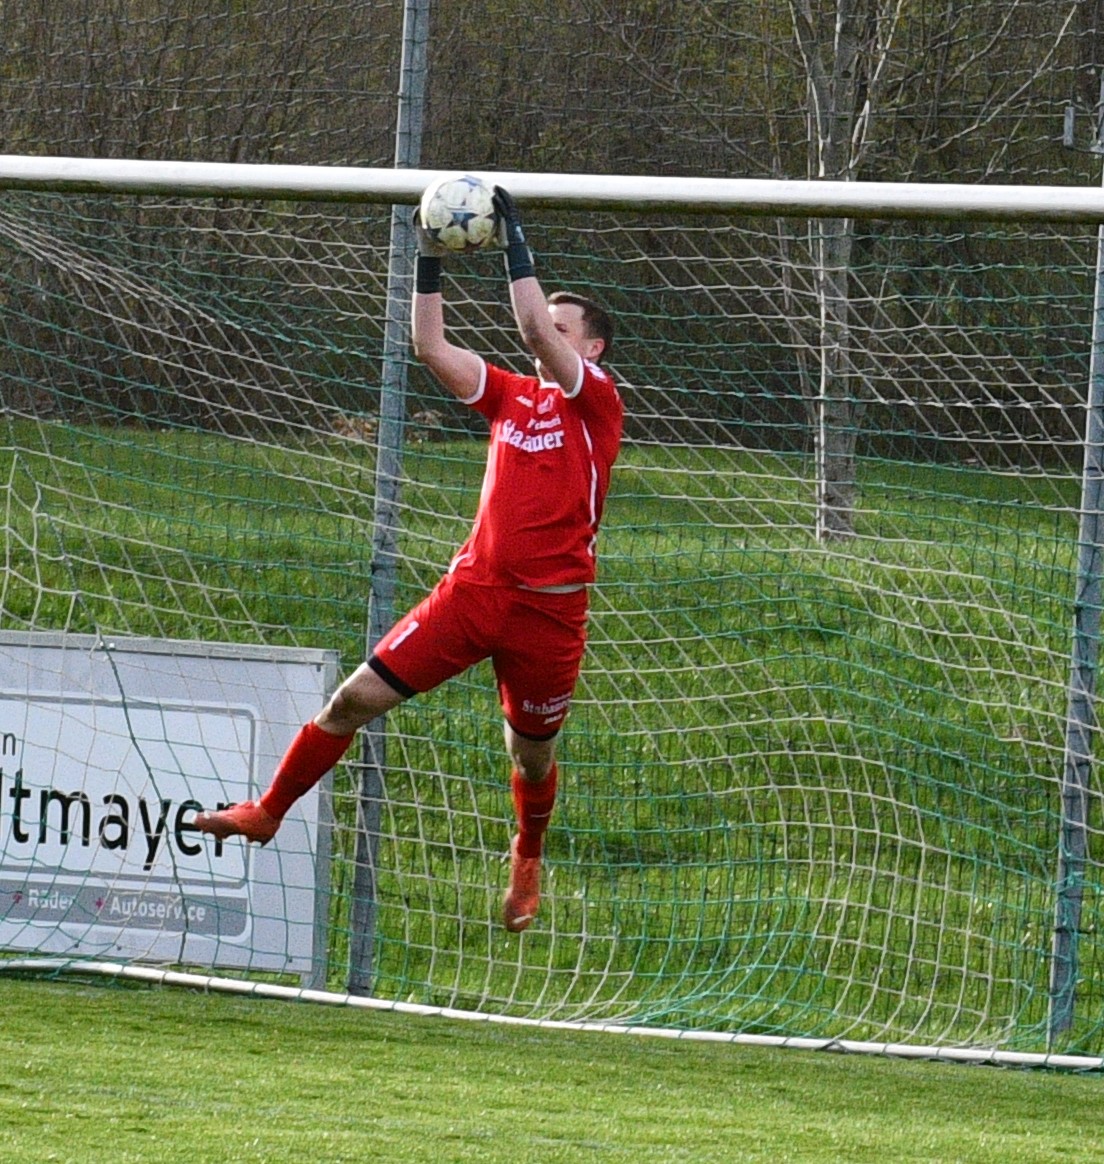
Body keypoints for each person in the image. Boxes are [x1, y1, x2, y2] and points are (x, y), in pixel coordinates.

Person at [194, 186, 623, 933]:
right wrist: (427, 251)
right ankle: (269, 810)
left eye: (563, 329)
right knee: (350, 703)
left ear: (591, 349)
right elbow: (431, 347)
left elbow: (528, 324)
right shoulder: (512, 398)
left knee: (530, 757)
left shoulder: (598, 404)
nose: (544, 335)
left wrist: (514, 236)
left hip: (551, 615)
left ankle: (527, 858)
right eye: (548, 325)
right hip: (474, 594)